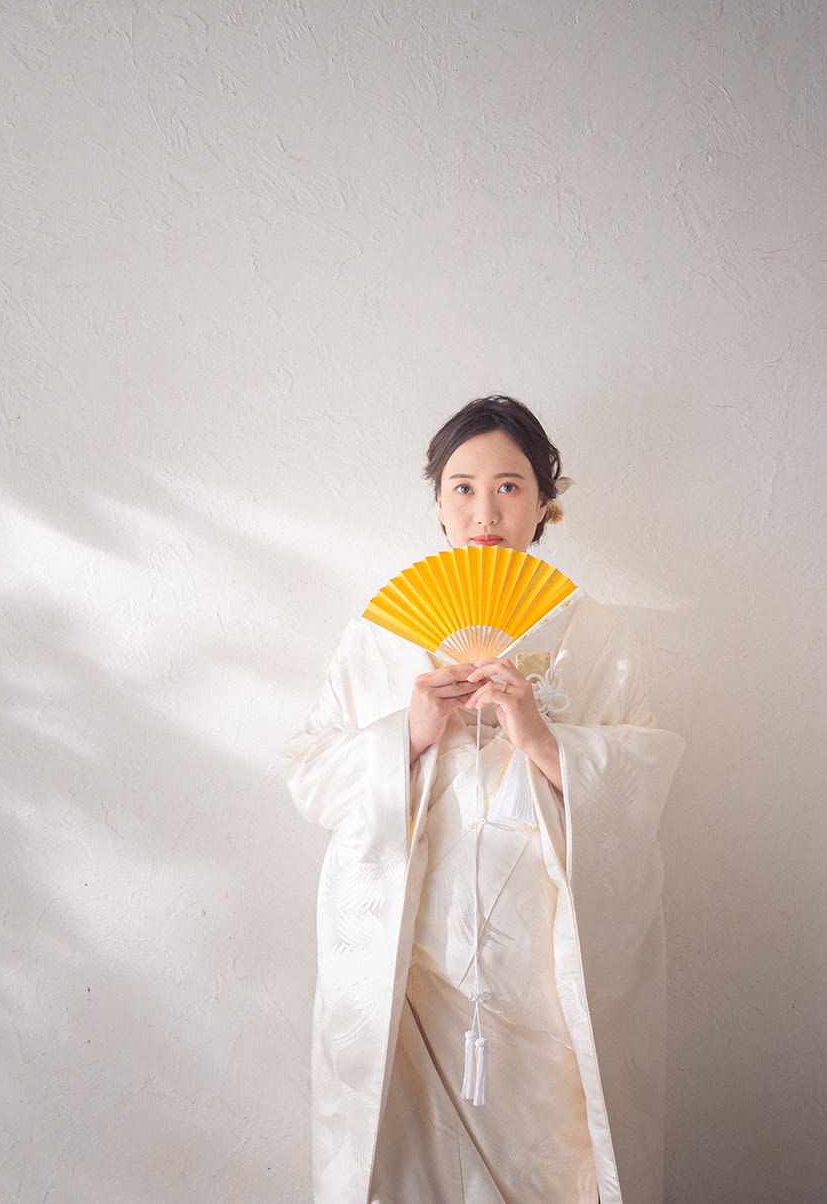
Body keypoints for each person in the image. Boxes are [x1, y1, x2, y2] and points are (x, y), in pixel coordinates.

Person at [285, 395, 685, 1204]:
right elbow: (309, 772)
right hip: (411, 959)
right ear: (438, 503)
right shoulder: (380, 636)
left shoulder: (594, 637)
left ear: (544, 504)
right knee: (408, 1163)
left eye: (510, 486)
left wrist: (543, 739)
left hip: (543, 964)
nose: (485, 511)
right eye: (463, 487)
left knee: (556, 1159)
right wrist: (408, 733)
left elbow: (644, 780)